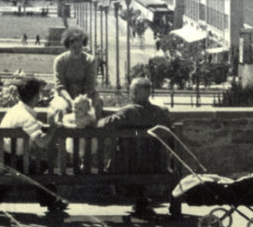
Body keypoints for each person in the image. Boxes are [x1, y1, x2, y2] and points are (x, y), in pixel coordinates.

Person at [99, 77, 172, 216]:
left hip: (126, 167)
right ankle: (140, 200)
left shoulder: (128, 112)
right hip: (157, 166)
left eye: (132, 91)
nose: (130, 94)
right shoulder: (161, 113)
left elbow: (103, 125)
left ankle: (138, 199)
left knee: (125, 161)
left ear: (136, 93)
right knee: (139, 159)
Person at [0, 77, 67, 214]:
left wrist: (43, 126)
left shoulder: (15, 110)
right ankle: (52, 201)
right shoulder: (26, 117)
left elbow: (31, 126)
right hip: (13, 161)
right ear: (35, 97)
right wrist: (52, 129)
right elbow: (42, 142)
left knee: (34, 167)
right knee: (42, 167)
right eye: (39, 94)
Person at [49, 28, 102, 122]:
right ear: (68, 46)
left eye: (80, 46)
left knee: (95, 107)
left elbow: (90, 85)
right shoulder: (60, 60)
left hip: (86, 96)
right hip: (64, 96)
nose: (77, 50)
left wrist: (81, 101)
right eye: (74, 47)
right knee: (60, 109)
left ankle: (92, 135)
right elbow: (60, 86)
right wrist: (71, 101)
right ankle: (61, 135)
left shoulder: (90, 60)